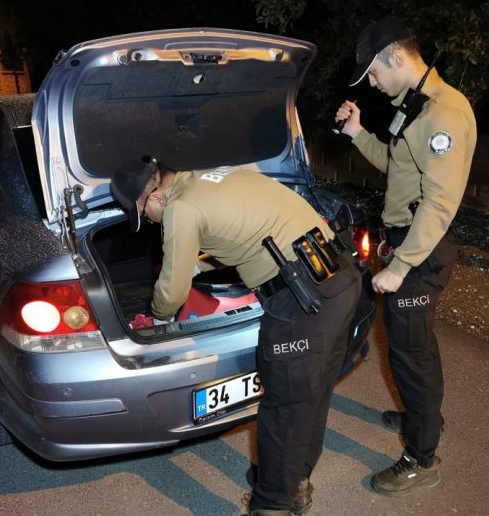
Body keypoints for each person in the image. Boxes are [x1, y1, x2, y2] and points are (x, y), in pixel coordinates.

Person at [111, 158, 363, 516]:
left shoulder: (179, 208)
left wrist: (156, 320)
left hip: (302, 300)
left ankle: (271, 505)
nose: (151, 223)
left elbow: (171, 290)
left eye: (144, 216)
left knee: (283, 408)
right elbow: (241, 234)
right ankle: (294, 482)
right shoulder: (210, 174)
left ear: (152, 198)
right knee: (311, 395)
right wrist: (198, 262)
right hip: (339, 276)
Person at [335, 16, 477, 496]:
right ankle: (422, 415)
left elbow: (440, 202)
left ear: (395, 57)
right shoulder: (410, 107)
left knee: (410, 357)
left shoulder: (443, 114)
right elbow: (396, 168)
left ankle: (421, 456)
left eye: (373, 73)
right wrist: (358, 132)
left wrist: (399, 267)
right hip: (404, 242)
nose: (372, 84)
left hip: (419, 251)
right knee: (412, 348)